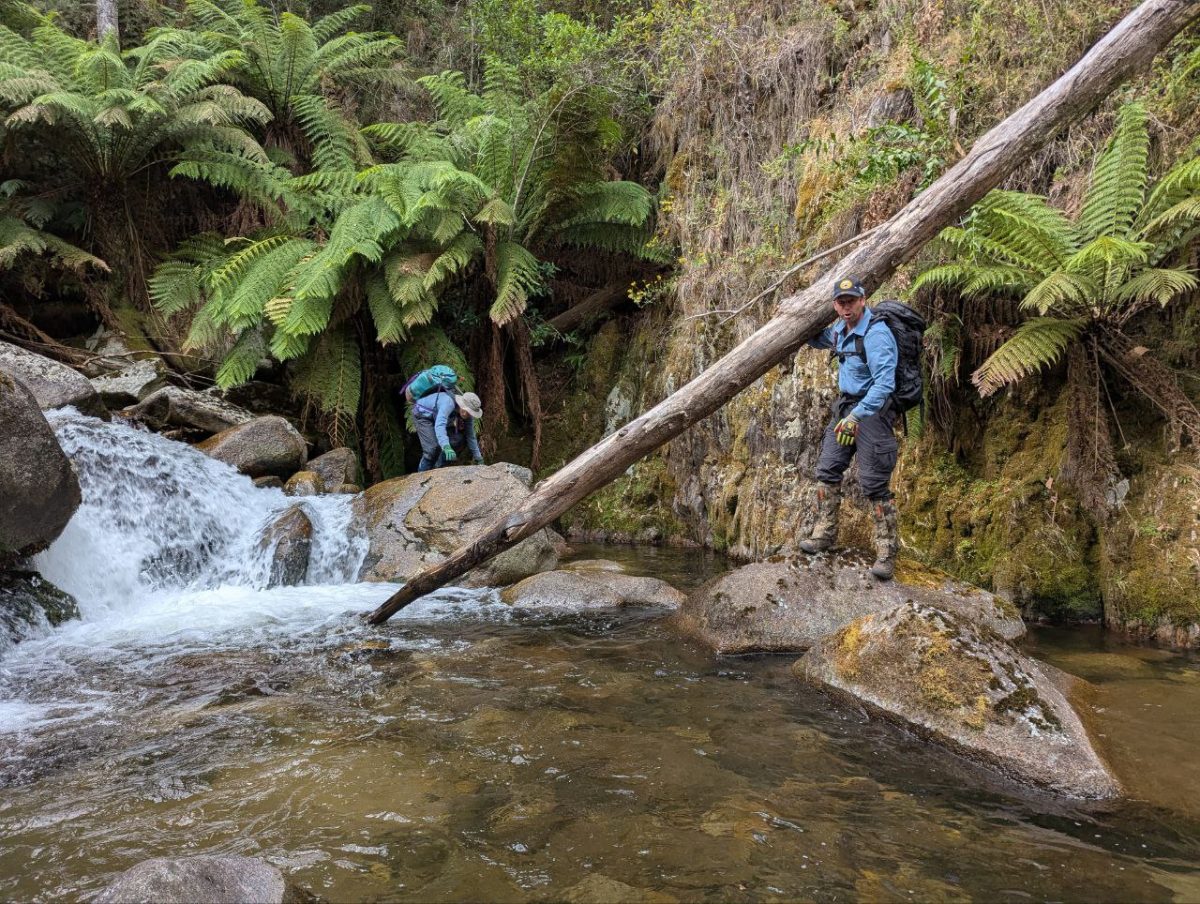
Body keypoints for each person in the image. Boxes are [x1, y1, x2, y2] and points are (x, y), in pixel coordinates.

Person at [800, 275, 900, 580]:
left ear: (862, 300)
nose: (846, 307)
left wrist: (856, 417)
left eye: (851, 301)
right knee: (827, 469)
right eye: (840, 303)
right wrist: (796, 319)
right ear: (835, 305)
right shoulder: (839, 330)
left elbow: (885, 383)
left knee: (873, 482)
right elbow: (817, 338)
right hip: (845, 408)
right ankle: (823, 535)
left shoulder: (877, 334)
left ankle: (886, 552)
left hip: (872, 413)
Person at [413, 390, 485, 471]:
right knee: (432, 448)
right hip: (423, 415)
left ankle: (438, 468)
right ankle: (421, 475)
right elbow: (440, 426)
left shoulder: (469, 416)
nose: (465, 414)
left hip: (438, 417)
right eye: (465, 410)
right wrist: (446, 446)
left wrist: (478, 457)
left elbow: (471, 436)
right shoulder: (448, 403)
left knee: (457, 440)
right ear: (461, 404)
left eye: (469, 412)